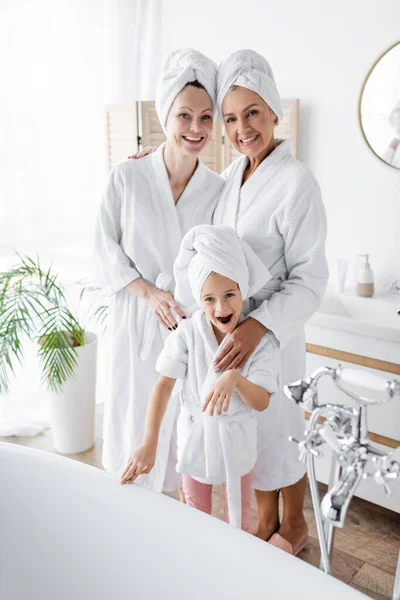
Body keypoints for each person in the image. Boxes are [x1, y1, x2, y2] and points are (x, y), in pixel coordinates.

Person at [213, 49, 329, 554]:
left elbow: (310, 279)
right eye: (232, 118)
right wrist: (147, 161)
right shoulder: (230, 178)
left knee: (282, 427)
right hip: (235, 330)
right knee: (255, 429)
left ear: (274, 110)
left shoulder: (297, 183)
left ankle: (295, 525)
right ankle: (265, 522)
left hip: (275, 334)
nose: (243, 128)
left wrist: (258, 325)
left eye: (252, 113)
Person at [95, 48, 224, 495]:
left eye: (206, 117)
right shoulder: (127, 178)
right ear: (165, 113)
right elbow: (104, 246)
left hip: (186, 330)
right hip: (136, 320)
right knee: (131, 429)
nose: (195, 128)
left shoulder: (218, 189)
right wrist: (148, 292)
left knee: (179, 447)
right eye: (185, 115)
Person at [120, 224, 279, 532]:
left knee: (240, 519)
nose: (221, 308)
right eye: (209, 299)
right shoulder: (188, 333)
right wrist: (149, 444)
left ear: (242, 289)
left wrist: (235, 379)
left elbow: (261, 402)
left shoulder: (258, 340)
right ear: (199, 298)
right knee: (195, 517)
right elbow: (163, 386)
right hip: (195, 435)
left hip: (237, 437)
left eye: (229, 295)